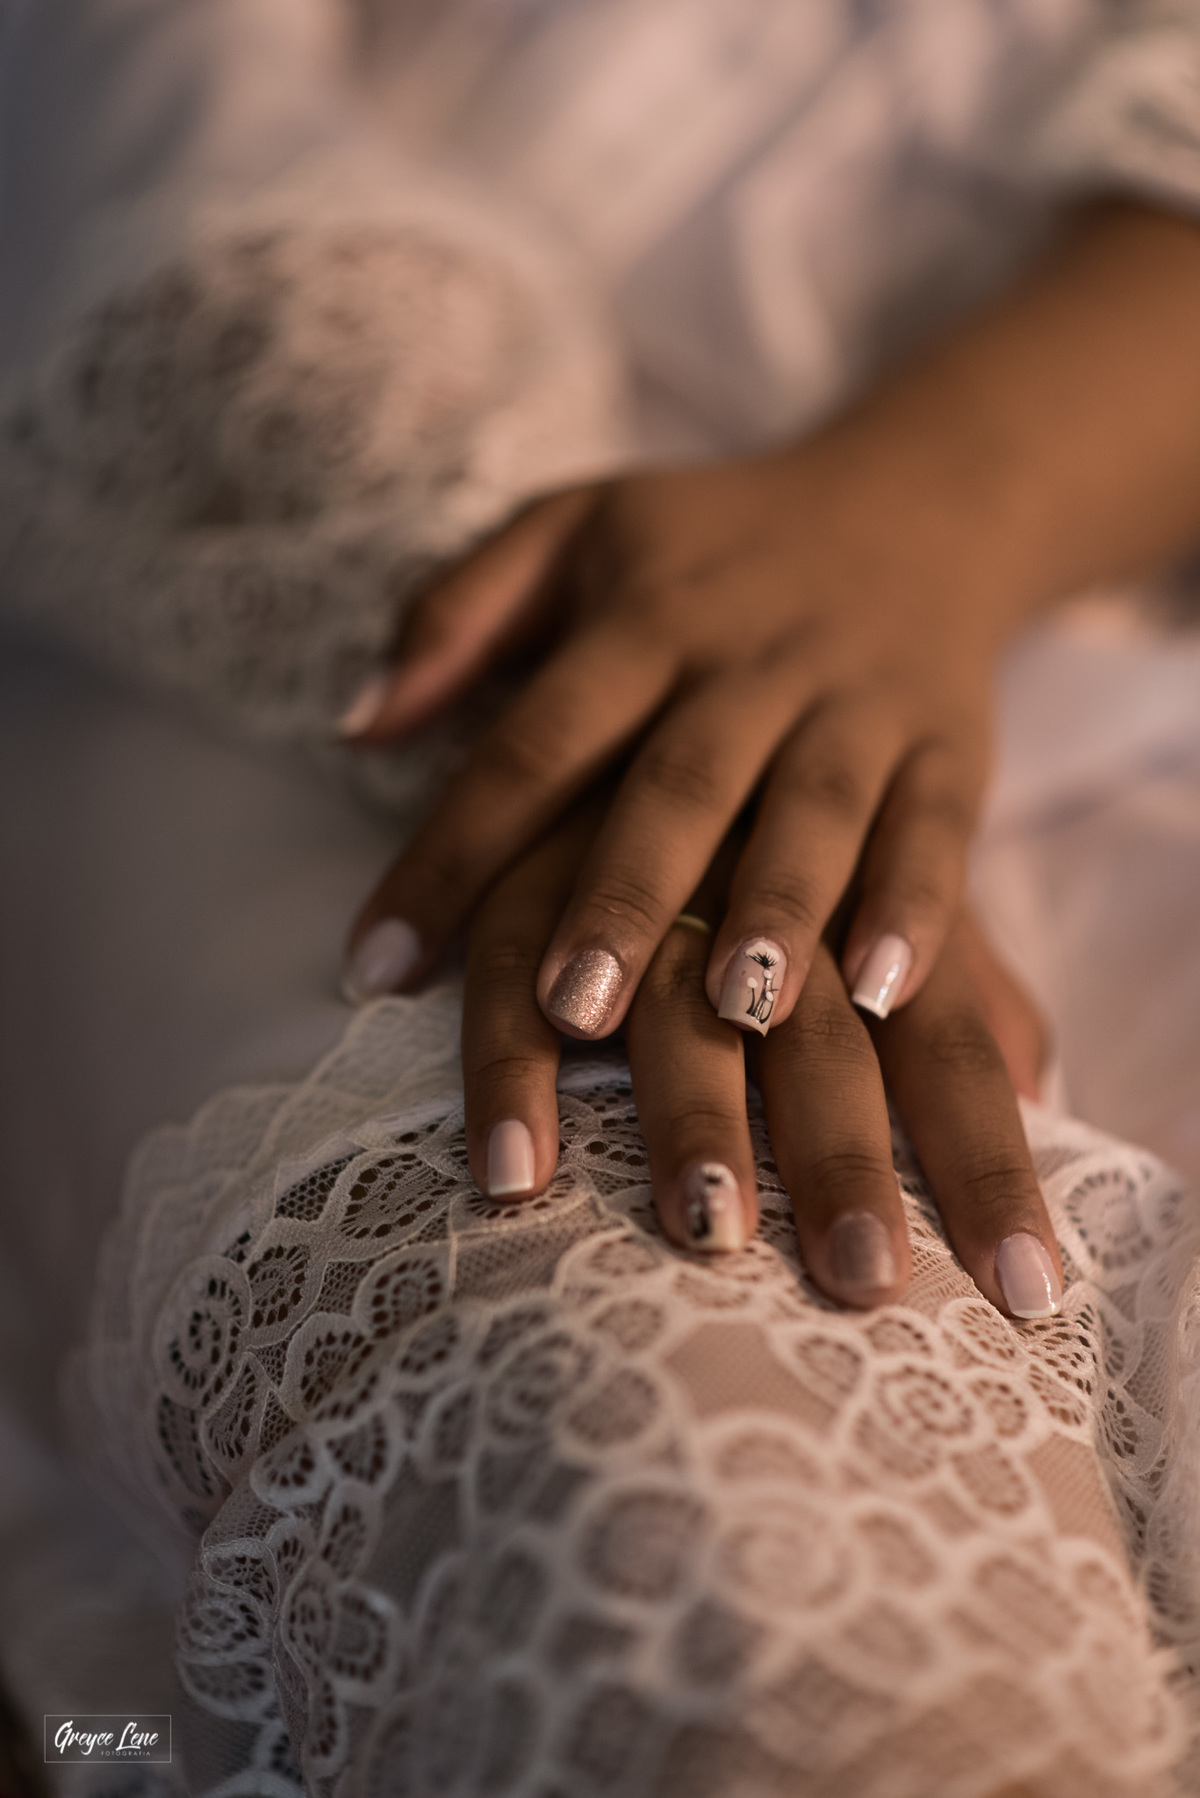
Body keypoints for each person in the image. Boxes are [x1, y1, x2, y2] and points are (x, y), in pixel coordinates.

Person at [3, 3, 1200, 1794]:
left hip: (1076, 613)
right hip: (300, 596)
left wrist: (892, 549)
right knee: (695, 1504)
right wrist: (626, 704)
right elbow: (127, 80)